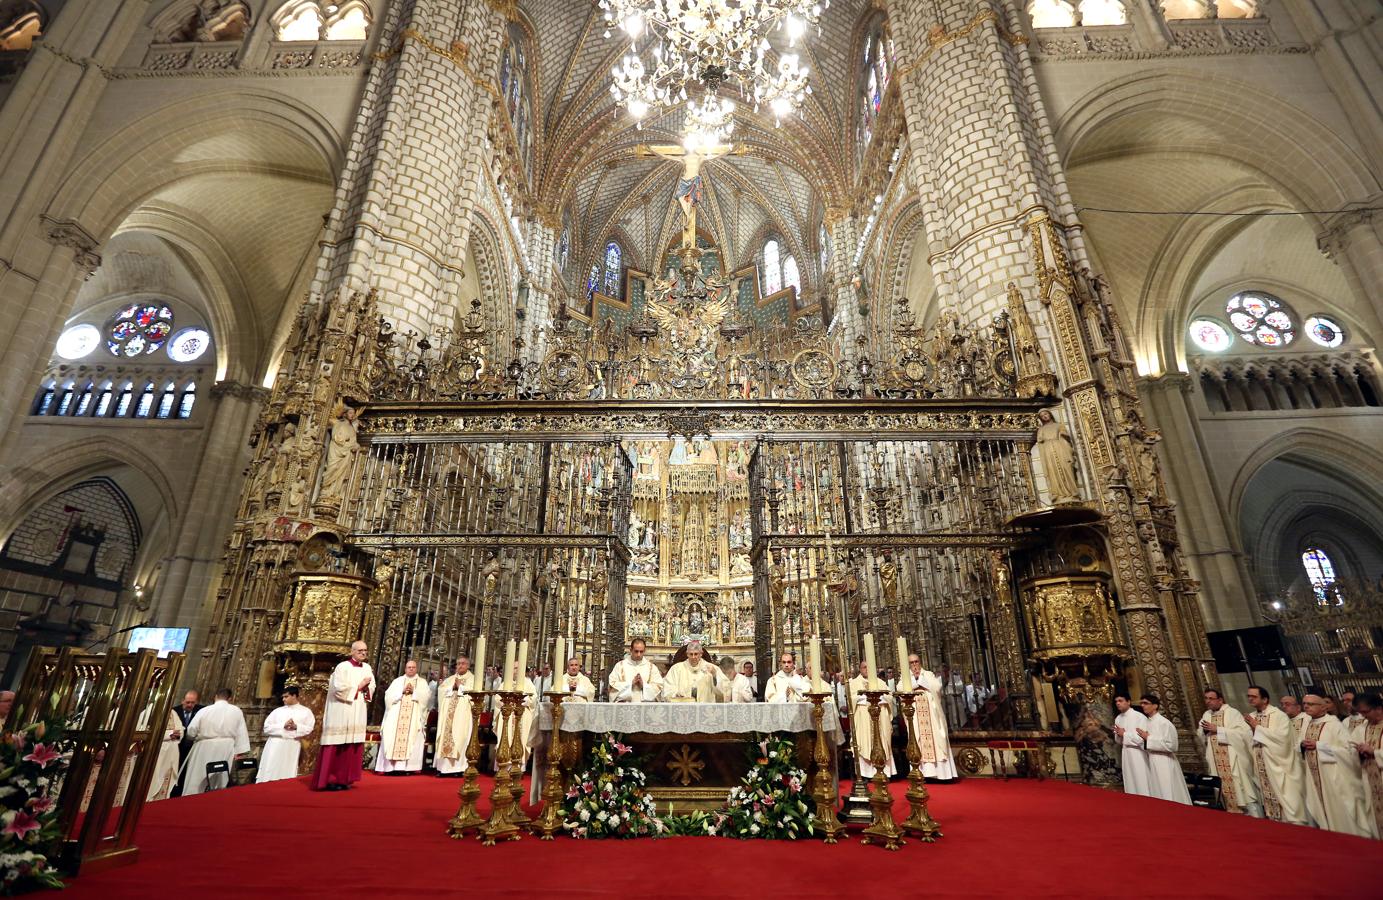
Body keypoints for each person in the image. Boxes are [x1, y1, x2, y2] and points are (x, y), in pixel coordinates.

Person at [1300, 694, 1375, 837]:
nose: (1306, 707)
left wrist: (1319, 746)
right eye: (1304, 704)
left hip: (1334, 779)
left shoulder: (1333, 724)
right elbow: (1297, 747)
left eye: (1311, 704)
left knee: (1340, 812)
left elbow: (1349, 751)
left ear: (1323, 707)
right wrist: (1301, 746)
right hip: (1317, 778)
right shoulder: (1307, 724)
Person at [313, 640, 375, 791]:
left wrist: (367, 688)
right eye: (359, 650)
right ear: (352, 652)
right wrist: (358, 686)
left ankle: (344, 778)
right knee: (337, 743)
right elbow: (338, 688)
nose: (363, 653)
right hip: (341, 709)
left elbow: (372, 686)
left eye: (365, 650)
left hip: (357, 708)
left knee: (351, 744)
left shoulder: (367, 668)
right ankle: (328, 779)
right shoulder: (342, 667)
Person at [1242, 685, 1308, 825]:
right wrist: (1251, 730)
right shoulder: (1252, 716)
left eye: (1254, 696)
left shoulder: (1279, 716)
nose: (1250, 699)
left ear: (1265, 699)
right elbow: (1248, 740)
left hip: (1278, 765)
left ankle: (1294, 825)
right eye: (1248, 696)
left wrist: (1257, 727)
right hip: (1262, 765)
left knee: (1286, 796)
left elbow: (1283, 739)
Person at [1196, 687, 1261, 816]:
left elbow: (1243, 734)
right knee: (1220, 786)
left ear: (1220, 700)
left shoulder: (1232, 713)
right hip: (1215, 758)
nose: (1208, 701)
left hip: (1232, 758)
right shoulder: (1206, 714)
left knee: (1239, 786)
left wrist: (1218, 729)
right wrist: (1203, 731)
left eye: (1211, 698)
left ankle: (1250, 815)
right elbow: (1200, 734)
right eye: (1206, 698)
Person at [181, 688, 250, 795]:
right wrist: (239, 751)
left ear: (215, 697)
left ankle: (191, 800)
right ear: (230, 699)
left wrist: (192, 738)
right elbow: (241, 733)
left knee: (197, 777)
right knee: (220, 779)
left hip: (204, 747)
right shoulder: (236, 711)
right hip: (226, 748)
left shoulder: (205, 710)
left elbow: (191, 730)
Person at [905, 654, 957, 781]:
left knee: (937, 739)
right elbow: (901, 689)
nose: (914, 665)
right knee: (918, 740)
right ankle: (922, 774)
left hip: (931, 717)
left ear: (920, 662)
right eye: (911, 663)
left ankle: (941, 774)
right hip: (916, 717)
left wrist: (920, 681)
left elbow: (937, 687)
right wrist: (916, 682)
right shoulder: (906, 677)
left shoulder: (928, 674)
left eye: (916, 661)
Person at [376, 659, 430, 774]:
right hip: (396, 716)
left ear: (416, 669)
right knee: (392, 734)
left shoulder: (422, 682)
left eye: (413, 667)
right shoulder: (397, 681)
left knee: (413, 735)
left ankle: (408, 768)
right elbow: (388, 697)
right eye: (409, 667)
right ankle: (391, 767)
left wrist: (414, 691)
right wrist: (402, 691)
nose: (411, 669)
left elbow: (426, 698)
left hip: (414, 716)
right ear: (405, 669)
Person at [1137, 694, 1190, 804]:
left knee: (1168, 790)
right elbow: (1146, 744)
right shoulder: (1147, 722)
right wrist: (1144, 740)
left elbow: (1172, 745)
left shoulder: (1164, 723)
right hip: (1152, 760)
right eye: (1141, 703)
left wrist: (1148, 738)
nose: (1143, 706)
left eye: (1145, 703)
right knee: (1158, 791)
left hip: (1165, 762)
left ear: (1155, 706)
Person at [258, 686, 315, 783]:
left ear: (294, 696)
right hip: (275, 744)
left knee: (287, 768)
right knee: (271, 767)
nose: (283, 699)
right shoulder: (277, 711)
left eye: (286, 696)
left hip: (292, 744)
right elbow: (266, 728)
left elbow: (309, 728)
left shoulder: (306, 712)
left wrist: (296, 726)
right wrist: (282, 726)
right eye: (283, 697)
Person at [848, 662, 895, 778]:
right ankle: (866, 773)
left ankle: (884, 771)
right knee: (864, 741)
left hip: (880, 717)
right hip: (863, 717)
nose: (867, 670)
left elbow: (889, 696)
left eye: (869, 667)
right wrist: (863, 698)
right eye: (864, 667)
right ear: (860, 669)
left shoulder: (880, 682)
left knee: (882, 740)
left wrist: (881, 698)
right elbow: (851, 698)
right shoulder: (854, 683)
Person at [493, 664, 538, 773]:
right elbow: (497, 699)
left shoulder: (528, 683)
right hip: (507, 716)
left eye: (518, 668)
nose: (516, 670)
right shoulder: (505, 684)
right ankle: (503, 766)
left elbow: (534, 699)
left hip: (522, 715)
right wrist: (507, 701)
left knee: (521, 739)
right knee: (505, 738)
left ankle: (519, 768)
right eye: (514, 668)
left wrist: (526, 700)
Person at [1349, 692, 1382, 838]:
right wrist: (1358, 752)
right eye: (1360, 713)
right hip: (1370, 781)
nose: (1363, 716)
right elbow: (1350, 751)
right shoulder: (1360, 729)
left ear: (1378, 708)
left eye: (1365, 712)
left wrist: (1375, 752)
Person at [1111, 693, 1150, 797]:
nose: (1118, 703)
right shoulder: (1118, 718)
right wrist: (1119, 735)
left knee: (1141, 778)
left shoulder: (1139, 717)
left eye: (1120, 700)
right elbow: (1118, 741)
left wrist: (1124, 734)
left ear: (1128, 702)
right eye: (1116, 702)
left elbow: (1142, 739)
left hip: (1138, 753)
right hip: (1125, 752)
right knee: (1130, 779)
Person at [145, 705, 183, 801]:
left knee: (166, 781)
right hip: (157, 751)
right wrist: (169, 734)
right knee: (153, 780)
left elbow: (181, 729)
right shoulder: (151, 711)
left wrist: (179, 734)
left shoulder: (173, 713)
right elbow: (147, 731)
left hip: (172, 751)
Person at [608, 637, 663, 702]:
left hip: (645, 707)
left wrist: (644, 685)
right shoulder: (620, 666)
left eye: (641, 651)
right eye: (636, 651)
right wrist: (631, 684)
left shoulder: (652, 667)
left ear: (644, 651)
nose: (638, 654)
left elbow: (658, 687)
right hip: (625, 706)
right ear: (631, 650)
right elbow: (612, 687)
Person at [172, 689, 204, 796]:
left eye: (193, 702)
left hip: (192, 747)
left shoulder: (201, 711)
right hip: (177, 747)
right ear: (182, 701)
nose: (190, 705)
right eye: (187, 702)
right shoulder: (174, 711)